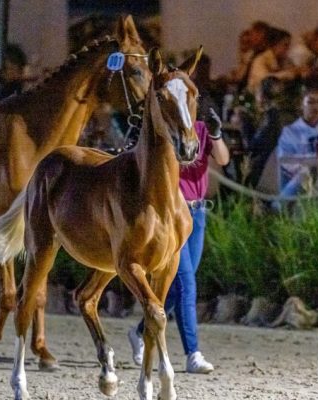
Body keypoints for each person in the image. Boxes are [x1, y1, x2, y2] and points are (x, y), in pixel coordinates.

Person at [128, 108, 230, 374]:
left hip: (198, 213)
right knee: (187, 283)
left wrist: (216, 134)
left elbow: (223, 159)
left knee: (177, 286)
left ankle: (139, 331)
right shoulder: (166, 132)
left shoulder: (201, 129)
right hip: (174, 213)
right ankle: (192, 353)